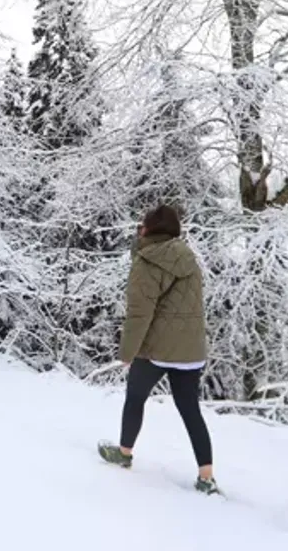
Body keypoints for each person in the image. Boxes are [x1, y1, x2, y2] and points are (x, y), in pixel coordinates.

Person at [98, 204, 218, 495]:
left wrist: (128, 352)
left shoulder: (147, 261)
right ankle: (206, 477)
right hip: (190, 351)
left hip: (156, 349)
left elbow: (140, 312)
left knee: (135, 398)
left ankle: (124, 453)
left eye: (143, 224)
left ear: (149, 229)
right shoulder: (187, 257)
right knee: (190, 411)